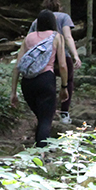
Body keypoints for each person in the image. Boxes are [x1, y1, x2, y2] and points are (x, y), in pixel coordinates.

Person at [10, 9, 69, 147]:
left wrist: (13, 92)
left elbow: (18, 66)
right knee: (45, 120)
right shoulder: (56, 37)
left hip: (27, 83)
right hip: (46, 80)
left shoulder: (28, 38)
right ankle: (41, 154)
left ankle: (38, 149)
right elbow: (62, 65)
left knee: (42, 118)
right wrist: (64, 87)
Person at [29, 0, 82, 123]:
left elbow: (30, 41)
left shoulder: (37, 21)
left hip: (44, 58)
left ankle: (48, 113)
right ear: (59, 5)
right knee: (68, 81)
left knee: (48, 82)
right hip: (62, 55)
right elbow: (68, 37)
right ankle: (64, 113)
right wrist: (75, 55)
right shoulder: (64, 17)